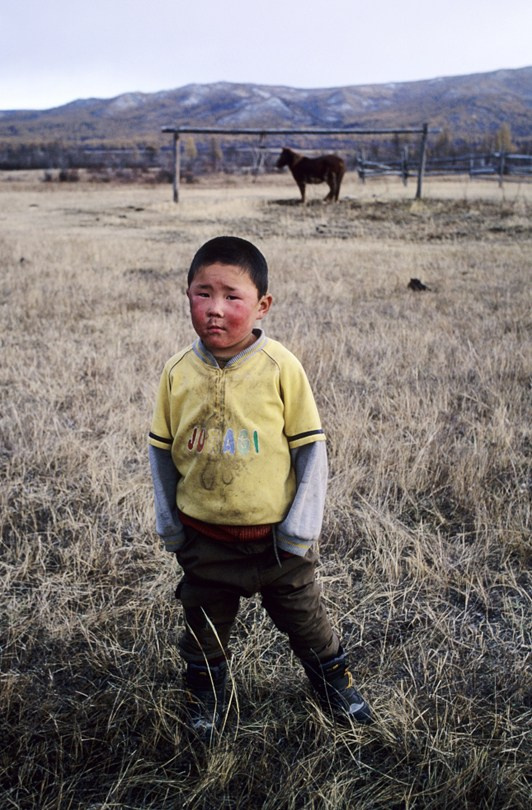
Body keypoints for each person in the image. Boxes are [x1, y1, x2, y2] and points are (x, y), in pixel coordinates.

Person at [148, 235, 372, 741]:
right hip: (205, 540)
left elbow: (311, 451)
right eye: (202, 294)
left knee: (306, 621)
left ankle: (334, 684)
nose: (215, 310)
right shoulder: (177, 373)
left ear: (262, 304)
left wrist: (299, 531)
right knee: (202, 627)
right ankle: (205, 694)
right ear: (187, 295)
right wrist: (171, 527)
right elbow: (161, 453)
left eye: (233, 296)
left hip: (277, 543)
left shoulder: (280, 367)